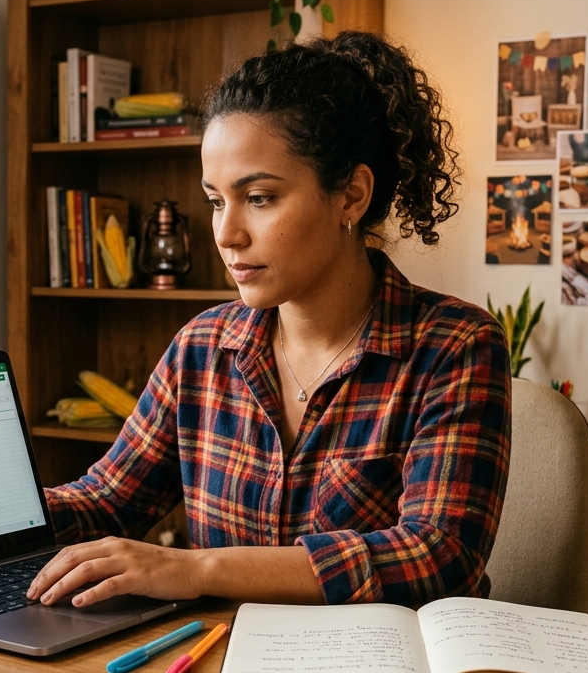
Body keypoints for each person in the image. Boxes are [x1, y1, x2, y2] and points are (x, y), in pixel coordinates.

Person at [26, 31, 511, 609]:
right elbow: (107, 502)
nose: (226, 234)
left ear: (351, 196)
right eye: (215, 201)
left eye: (258, 198)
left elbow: (437, 556)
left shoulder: (454, 346)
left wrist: (199, 569)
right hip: (221, 649)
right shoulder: (202, 347)